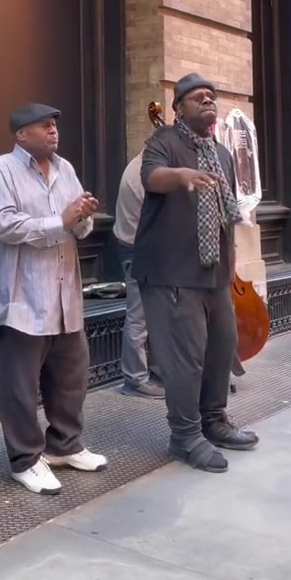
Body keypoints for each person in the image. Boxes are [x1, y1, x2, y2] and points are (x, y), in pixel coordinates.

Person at [132, 73, 259, 474]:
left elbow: (226, 211)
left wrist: (232, 256)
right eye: (197, 97)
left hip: (215, 271)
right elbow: (151, 177)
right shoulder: (163, 142)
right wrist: (181, 175)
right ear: (178, 108)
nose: (208, 101)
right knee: (185, 360)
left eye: (211, 96)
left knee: (222, 349)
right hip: (172, 271)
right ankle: (184, 436)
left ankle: (214, 421)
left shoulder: (221, 153)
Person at [0, 103, 107, 496]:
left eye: (55, 125)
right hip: (22, 297)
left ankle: (64, 445)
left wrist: (82, 217)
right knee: (19, 386)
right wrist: (61, 221)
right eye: (44, 126)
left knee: (70, 376)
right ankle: (25, 460)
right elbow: (2, 224)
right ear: (21, 134)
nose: (53, 131)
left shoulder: (65, 168)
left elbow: (78, 226)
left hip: (65, 294)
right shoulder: (0, 169)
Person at [113, 151, 164, 399]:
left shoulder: (140, 165)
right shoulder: (146, 172)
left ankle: (150, 372)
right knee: (139, 316)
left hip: (138, 247)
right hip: (139, 250)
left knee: (149, 314)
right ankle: (135, 380)